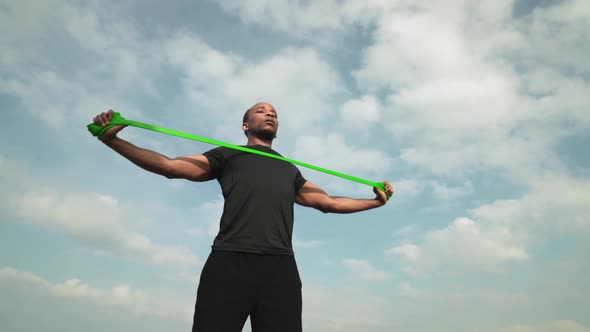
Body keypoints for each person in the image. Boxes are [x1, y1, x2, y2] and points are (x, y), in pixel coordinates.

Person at [92, 102, 394, 332]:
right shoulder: (227, 155)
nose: (270, 114)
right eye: (261, 111)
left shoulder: (290, 170)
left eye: (274, 112)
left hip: (280, 268)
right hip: (229, 262)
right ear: (245, 125)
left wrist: (375, 202)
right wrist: (113, 140)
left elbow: (328, 202)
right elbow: (171, 166)